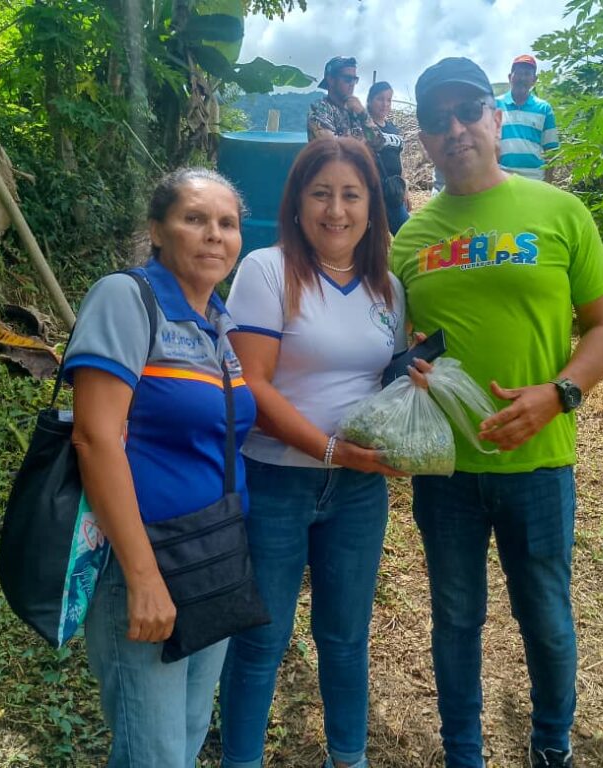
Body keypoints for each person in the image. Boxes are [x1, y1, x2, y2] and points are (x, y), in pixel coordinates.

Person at [390, 58, 603, 768]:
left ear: (497, 119)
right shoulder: (409, 241)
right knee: (456, 619)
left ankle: (552, 742)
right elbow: (397, 346)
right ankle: (463, 751)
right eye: (438, 120)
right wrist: (410, 366)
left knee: (546, 618)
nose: (455, 128)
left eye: (469, 111)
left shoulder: (560, 213)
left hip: (539, 464)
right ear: (424, 140)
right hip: (446, 470)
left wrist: (560, 394)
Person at [220, 137, 422, 768]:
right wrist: (332, 450)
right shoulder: (266, 270)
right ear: (298, 203)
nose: (337, 210)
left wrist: (417, 377)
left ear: (372, 207)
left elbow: (383, 379)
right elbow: (252, 385)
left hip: (358, 492)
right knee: (261, 639)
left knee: (345, 638)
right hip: (276, 480)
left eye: (352, 195)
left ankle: (348, 757)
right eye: (321, 194)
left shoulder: (388, 288)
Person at [65, 168, 257, 768]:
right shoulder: (127, 298)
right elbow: (95, 438)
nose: (214, 235)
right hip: (145, 559)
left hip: (213, 554)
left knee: (188, 735)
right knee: (154, 754)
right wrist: (143, 578)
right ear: (156, 229)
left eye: (227, 223)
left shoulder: (219, 322)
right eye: (194, 219)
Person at [498, 54, 560, 182]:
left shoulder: (544, 108)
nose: (522, 78)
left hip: (534, 179)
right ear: (510, 77)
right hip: (501, 179)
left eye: (527, 74)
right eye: (518, 73)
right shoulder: (495, 105)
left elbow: (551, 150)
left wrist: (548, 183)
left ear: (534, 80)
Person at [307, 56, 385, 157]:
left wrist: (363, 114)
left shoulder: (356, 112)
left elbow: (379, 143)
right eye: (348, 79)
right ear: (331, 80)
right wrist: (364, 145)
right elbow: (332, 149)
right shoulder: (319, 109)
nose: (352, 84)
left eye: (355, 79)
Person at [366, 80, 410, 234]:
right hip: (374, 192)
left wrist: (405, 190)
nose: (385, 104)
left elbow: (399, 160)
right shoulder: (364, 127)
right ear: (370, 100)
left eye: (389, 100)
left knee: (407, 233)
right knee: (376, 238)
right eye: (380, 99)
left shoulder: (393, 128)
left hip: (393, 191)